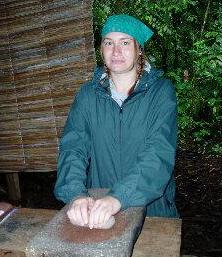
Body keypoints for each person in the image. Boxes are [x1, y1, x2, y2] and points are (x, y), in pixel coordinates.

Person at [54, 14, 179, 229]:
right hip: (99, 210)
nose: (116, 51)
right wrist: (76, 195)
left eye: (125, 43)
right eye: (109, 43)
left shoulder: (161, 92)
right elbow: (73, 149)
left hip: (152, 210)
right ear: (101, 49)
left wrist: (119, 197)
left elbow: (159, 154)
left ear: (139, 49)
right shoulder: (87, 96)